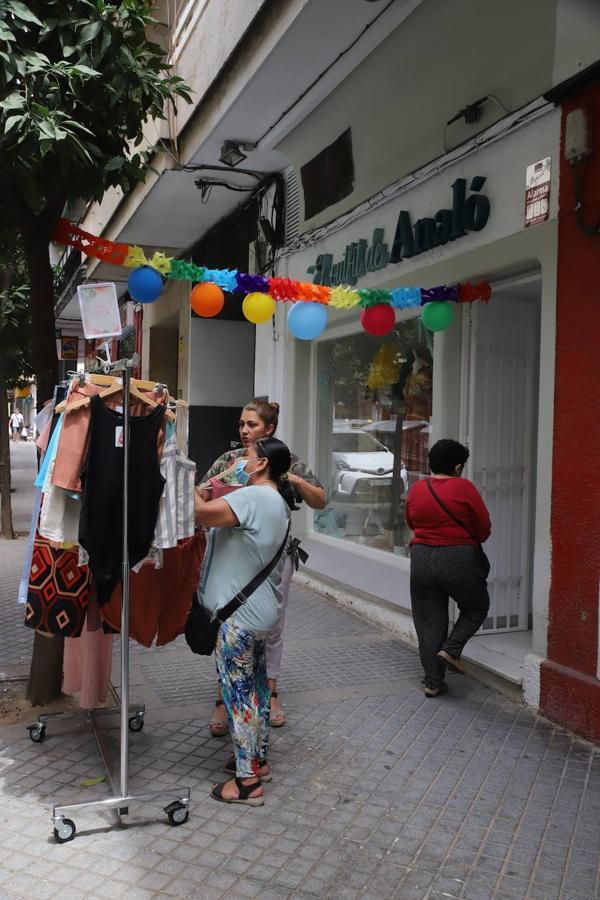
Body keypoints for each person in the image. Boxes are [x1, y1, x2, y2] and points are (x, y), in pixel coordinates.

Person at [200, 399, 326, 734]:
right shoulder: (228, 461)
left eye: (252, 425)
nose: (244, 430)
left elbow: (320, 499)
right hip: (230, 557)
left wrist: (292, 480)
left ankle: (269, 691)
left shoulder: (286, 462)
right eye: (241, 424)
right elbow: (202, 494)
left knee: (271, 625)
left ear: (268, 429)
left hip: (271, 558)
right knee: (225, 624)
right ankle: (222, 698)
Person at [194, 437, 295, 806]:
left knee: (239, 695)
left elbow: (200, 515)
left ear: (262, 463)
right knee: (257, 690)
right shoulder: (280, 504)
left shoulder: (254, 498)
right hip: (259, 612)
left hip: (239, 616)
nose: (242, 461)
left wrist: (193, 491)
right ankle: (259, 761)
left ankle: (248, 783)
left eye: (248, 456)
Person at [406, 439, 491, 698]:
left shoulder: (418, 489)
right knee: (476, 606)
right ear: (457, 466)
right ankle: (452, 649)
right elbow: (483, 529)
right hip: (457, 557)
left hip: (421, 557)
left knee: (429, 621)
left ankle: (432, 682)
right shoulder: (463, 488)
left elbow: (411, 520)